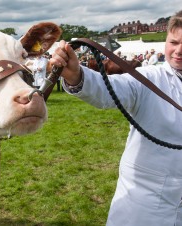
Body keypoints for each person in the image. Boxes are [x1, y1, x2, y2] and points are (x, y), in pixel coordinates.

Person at [50, 10, 182, 226]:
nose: (178, 51)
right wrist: (76, 75)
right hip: (144, 204)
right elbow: (108, 88)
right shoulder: (149, 78)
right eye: (173, 42)